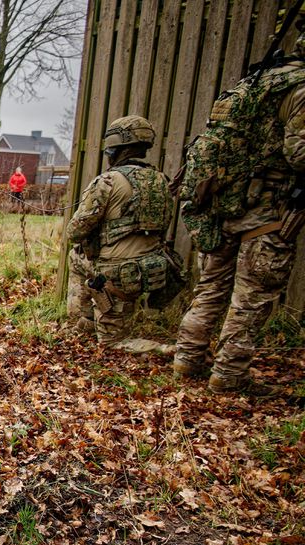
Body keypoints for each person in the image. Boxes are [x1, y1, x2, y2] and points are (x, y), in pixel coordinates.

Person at [173, 38, 305, 396]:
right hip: (265, 209)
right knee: (252, 295)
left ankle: (187, 359)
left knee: (211, 288)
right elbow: (299, 154)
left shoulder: (255, 82)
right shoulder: (300, 88)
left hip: (222, 204)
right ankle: (229, 375)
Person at [65, 116, 180, 356]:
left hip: (115, 274)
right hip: (150, 271)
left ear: (115, 149)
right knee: (78, 258)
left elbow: (75, 231)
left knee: (112, 343)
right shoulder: (161, 180)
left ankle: (171, 351)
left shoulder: (108, 181)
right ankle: (88, 321)